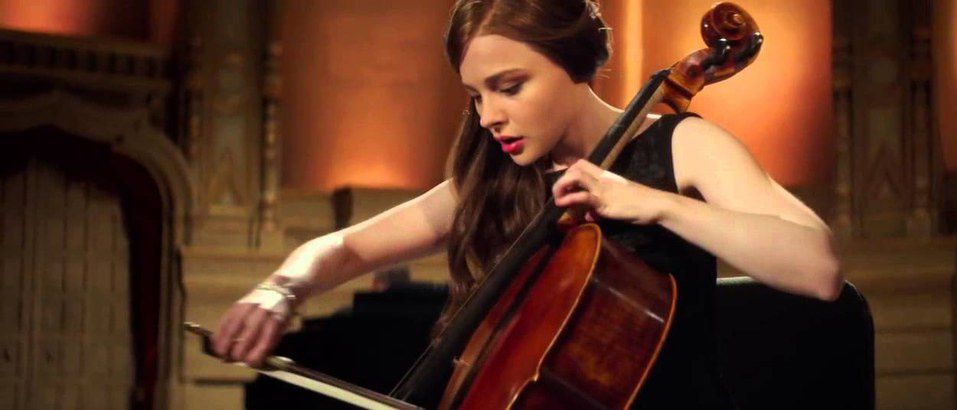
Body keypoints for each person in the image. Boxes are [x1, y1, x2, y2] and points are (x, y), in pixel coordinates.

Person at [211, 0, 843, 408]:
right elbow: (345, 248)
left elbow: (817, 268)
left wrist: (652, 204)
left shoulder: (683, 147)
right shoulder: (499, 180)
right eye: (476, 95)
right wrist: (280, 289)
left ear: (576, 64)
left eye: (509, 87)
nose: (489, 116)